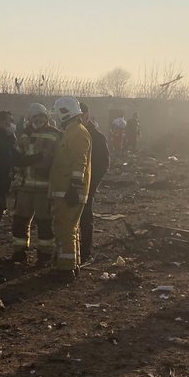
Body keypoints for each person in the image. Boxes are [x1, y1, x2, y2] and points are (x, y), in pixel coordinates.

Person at [0, 110, 40, 284]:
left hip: (0, 190)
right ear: (0, 123)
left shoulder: (8, 141)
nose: (12, 124)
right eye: (8, 122)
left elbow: (18, 160)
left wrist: (40, 156)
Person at [10, 103, 61, 267]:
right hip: (25, 187)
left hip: (44, 189)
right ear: (30, 119)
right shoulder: (24, 136)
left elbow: (59, 161)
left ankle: (44, 256)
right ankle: (19, 253)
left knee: (44, 223)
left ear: (46, 117)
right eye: (34, 117)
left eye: (40, 117)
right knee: (20, 220)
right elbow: (17, 158)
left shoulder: (55, 135)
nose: (37, 120)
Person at [49, 96, 92, 281]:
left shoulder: (77, 133)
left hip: (69, 191)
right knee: (69, 228)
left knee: (65, 228)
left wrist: (75, 187)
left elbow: (79, 162)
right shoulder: (73, 131)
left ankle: (66, 270)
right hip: (67, 190)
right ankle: (71, 264)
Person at [79, 102, 111, 263]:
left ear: (85, 116)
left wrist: (91, 186)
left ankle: (85, 251)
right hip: (69, 185)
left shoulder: (96, 137)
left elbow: (103, 164)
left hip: (86, 186)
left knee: (85, 218)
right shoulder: (70, 134)